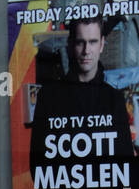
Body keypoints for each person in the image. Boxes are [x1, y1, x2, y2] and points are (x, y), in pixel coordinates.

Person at [30, 15, 134, 166]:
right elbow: (37, 166)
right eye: (80, 42)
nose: (86, 51)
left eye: (93, 42)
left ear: (102, 45)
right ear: (70, 44)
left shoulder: (114, 100)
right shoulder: (48, 97)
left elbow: (127, 167)